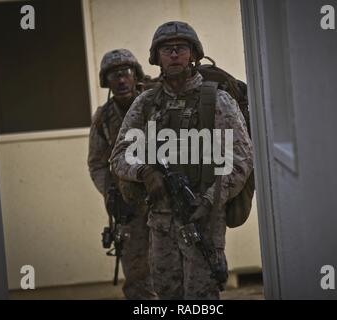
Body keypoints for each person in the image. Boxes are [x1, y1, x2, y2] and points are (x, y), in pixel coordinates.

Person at [110, 22, 254, 299]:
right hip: (161, 219)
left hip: (204, 216)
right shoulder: (145, 104)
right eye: (167, 49)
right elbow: (119, 156)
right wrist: (145, 173)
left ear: (193, 54)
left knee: (201, 294)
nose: (174, 54)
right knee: (166, 293)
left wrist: (212, 198)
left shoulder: (218, 101)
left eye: (181, 48)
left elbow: (241, 161)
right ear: (157, 57)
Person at [87, 48, 156, 300]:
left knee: (174, 265)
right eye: (115, 75)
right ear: (107, 81)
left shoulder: (156, 101)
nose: (122, 80)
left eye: (126, 72)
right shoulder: (103, 118)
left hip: (165, 197)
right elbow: (97, 164)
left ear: (135, 75)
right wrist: (110, 194)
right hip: (129, 204)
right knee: (137, 273)